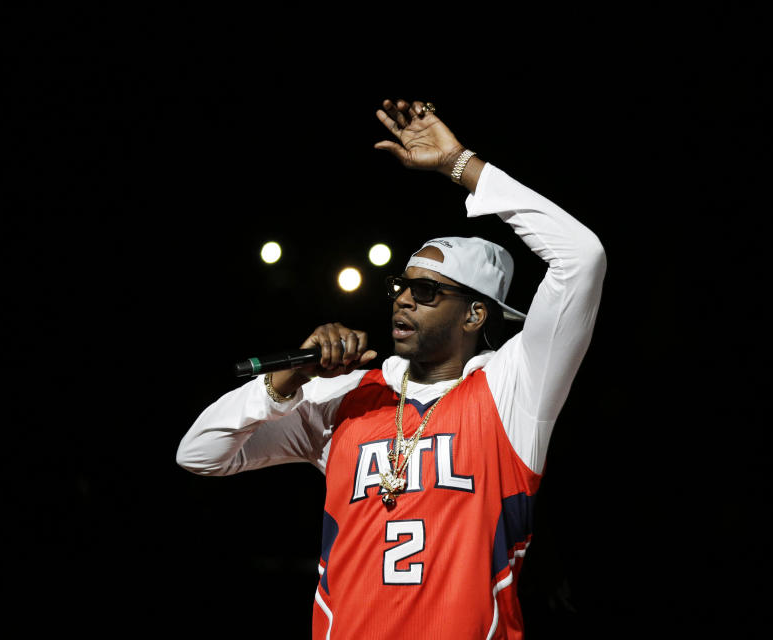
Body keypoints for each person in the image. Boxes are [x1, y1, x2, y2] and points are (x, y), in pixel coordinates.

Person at [176, 98, 607, 639]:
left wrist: (460, 166)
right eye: (399, 286)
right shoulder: (351, 396)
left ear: (475, 314)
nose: (402, 300)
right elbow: (198, 456)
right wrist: (284, 384)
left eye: (426, 292)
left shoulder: (512, 388)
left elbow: (581, 256)